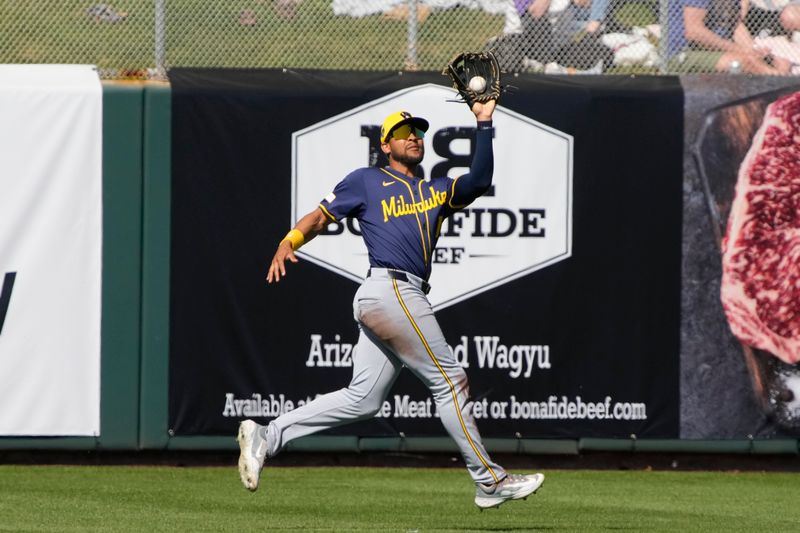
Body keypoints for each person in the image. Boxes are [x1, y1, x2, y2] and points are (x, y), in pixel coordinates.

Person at [236, 99, 545, 509]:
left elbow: (479, 181)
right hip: (390, 288)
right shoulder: (366, 180)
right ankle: (489, 480)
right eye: (403, 133)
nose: (413, 138)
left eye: (418, 132)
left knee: (363, 398)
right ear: (385, 144)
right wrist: (288, 241)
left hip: (392, 296)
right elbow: (320, 216)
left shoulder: (435, 189)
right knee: (450, 381)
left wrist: (484, 123)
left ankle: (267, 435)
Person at [666, 0, 791, 73]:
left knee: (781, 62)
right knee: (747, 62)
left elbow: (735, 26)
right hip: (682, 53)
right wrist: (742, 51)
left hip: (717, 49)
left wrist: (753, 49)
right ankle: (783, 95)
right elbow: (694, 32)